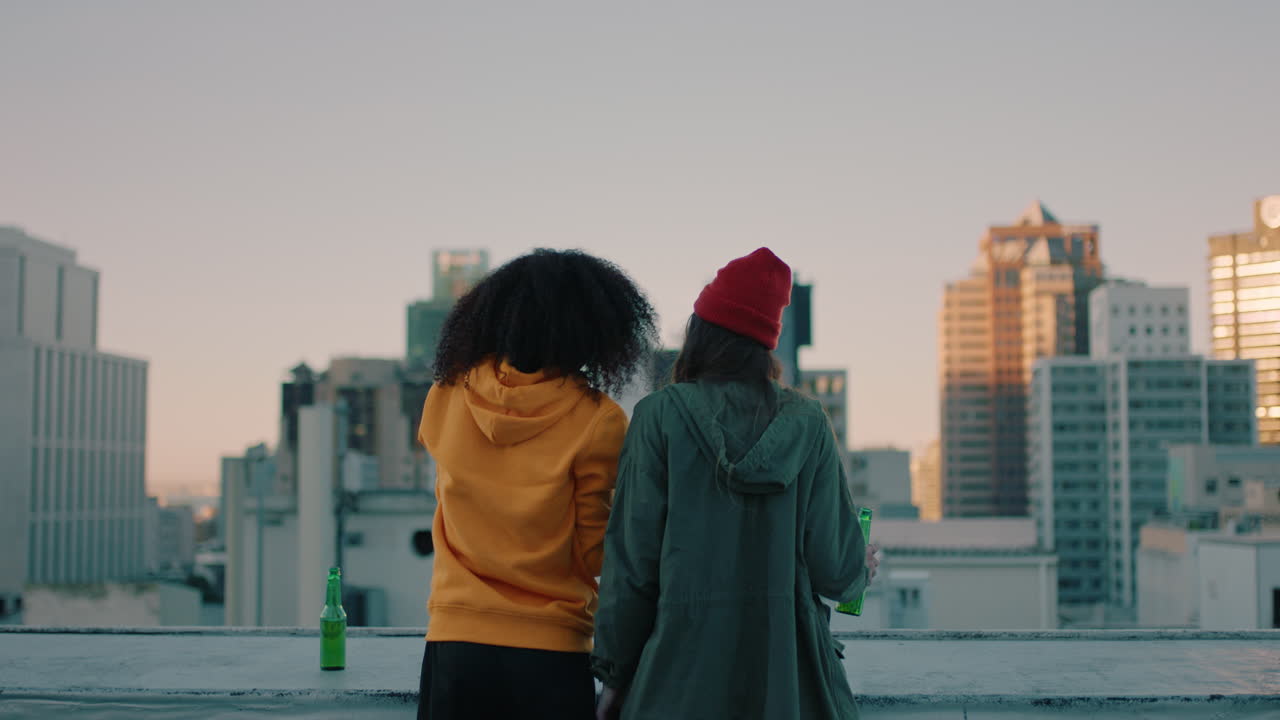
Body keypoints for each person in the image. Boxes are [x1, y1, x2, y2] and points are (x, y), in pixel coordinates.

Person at [591, 247, 879, 720]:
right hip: (787, 687)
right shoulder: (807, 422)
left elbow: (631, 569)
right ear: (766, 345)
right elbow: (838, 571)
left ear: (700, 333)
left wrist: (616, 678)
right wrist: (861, 567)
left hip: (675, 686)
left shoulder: (658, 417)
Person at [416, 248, 658, 720]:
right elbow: (595, 552)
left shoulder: (446, 393)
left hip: (454, 641)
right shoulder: (598, 419)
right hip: (551, 651)